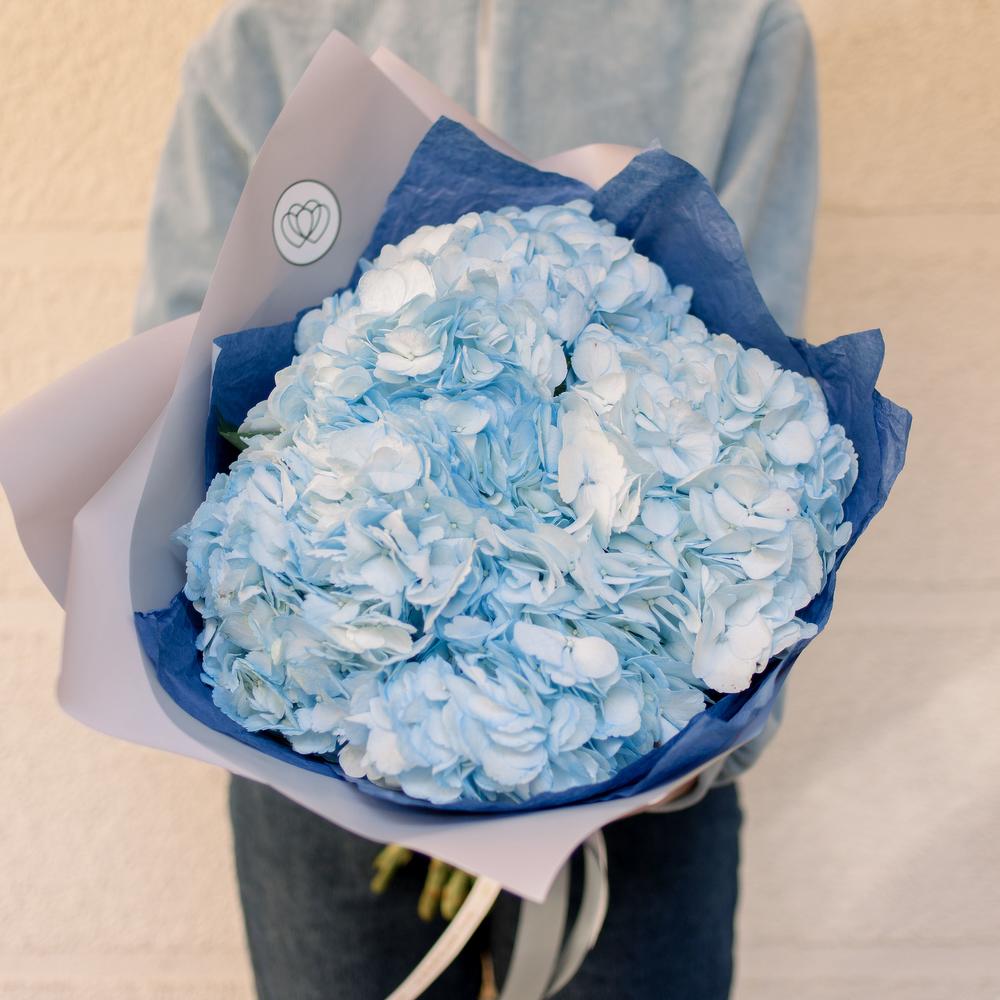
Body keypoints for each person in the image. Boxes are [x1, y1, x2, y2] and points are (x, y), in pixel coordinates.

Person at [134, 2, 817, 997]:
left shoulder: (739, 27)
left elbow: (762, 385)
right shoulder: (265, 34)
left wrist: (692, 735)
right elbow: (174, 378)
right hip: (319, 750)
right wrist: (314, 678)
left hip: (640, 758)